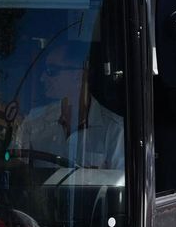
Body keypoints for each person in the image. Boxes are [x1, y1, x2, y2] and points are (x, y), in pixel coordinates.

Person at [12, 40, 124, 171]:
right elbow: (14, 168)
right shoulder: (33, 121)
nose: (42, 78)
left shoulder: (115, 130)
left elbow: (121, 183)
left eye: (51, 70)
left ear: (79, 75)